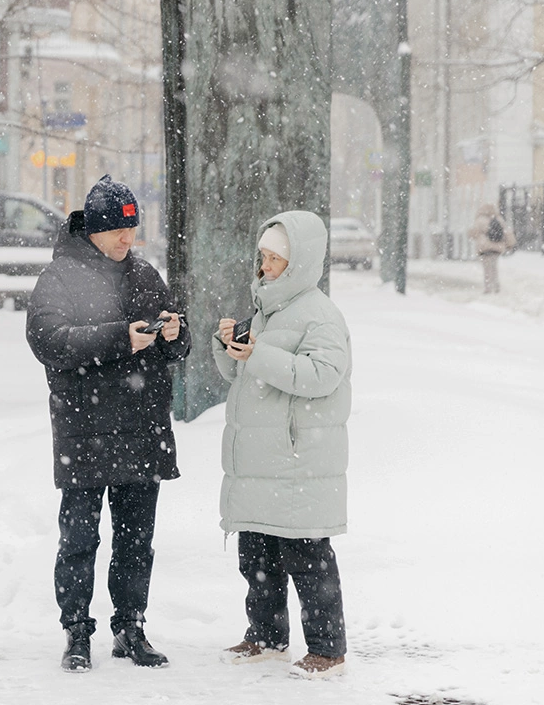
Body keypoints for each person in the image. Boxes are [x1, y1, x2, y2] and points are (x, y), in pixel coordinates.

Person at [26, 175, 190, 673]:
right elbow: (49, 341)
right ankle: (76, 631)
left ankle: (130, 627)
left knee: (136, 539)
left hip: (142, 429)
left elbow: (175, 348)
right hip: (86, 429)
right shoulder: (61, 277)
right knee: (79, 539)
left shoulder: (144, 274)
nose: (128, 239)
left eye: (133, 228)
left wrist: (174, 334)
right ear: (93, 231)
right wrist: (121, 338)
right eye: (119, 230)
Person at [212, 212, 351, 679]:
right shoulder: (267, 309)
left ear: (298, 264)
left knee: (308, 559)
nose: (266, 267)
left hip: (297, 461)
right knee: (257, 557)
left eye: (276, 259)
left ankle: (328, 650)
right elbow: (245, 375)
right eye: (264, 257)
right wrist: (229, 347)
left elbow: (324, 376)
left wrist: (262, 355)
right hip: (260, 462)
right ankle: (266, 636)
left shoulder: (320, 315)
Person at [467, 203, 517, 294]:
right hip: (496, 248)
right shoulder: (498, 219)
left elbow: (473, 233)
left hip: (484, 247)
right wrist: (510, 244)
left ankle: (488, 288)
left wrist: (472, 234)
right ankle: (496, 286)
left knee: (487, 269)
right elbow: (506, 232)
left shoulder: (480, 220)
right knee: (494, 267)